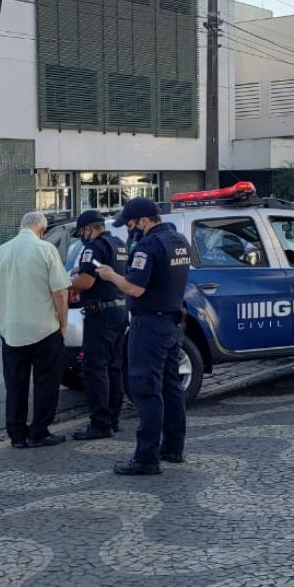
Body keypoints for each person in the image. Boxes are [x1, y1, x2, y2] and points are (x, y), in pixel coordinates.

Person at [94, 197, 191, 475]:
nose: (130, 229)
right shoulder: (179, 240)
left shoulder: (149, 245)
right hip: (173, 322)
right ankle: (174, 447)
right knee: (171, 387)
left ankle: (146, 458)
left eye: (132, 224)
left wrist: (111, 274)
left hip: (149, 325)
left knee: (146, 389)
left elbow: (135, 288)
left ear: (145, 221)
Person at [0, 210, 71, 449]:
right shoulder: (46, 250)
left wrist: (2, 325)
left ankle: (17, 434)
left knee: (15, 383)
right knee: (46, 382)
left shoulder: (0, 252)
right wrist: (63, 324)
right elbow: (60, 292)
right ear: (41, 229)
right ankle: (39, 431)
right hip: (44, 328)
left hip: (12, 330)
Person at [69, 209, 128, 440]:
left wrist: (64, 283)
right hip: (119, 310)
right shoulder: (118, 243)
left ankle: (100, 424)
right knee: (114, 367)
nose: (82, 236)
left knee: (95, 369)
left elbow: (84, 282)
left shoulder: (93, 247)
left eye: (82, 232)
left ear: (89, 229)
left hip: (100, 315)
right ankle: (113, 419)